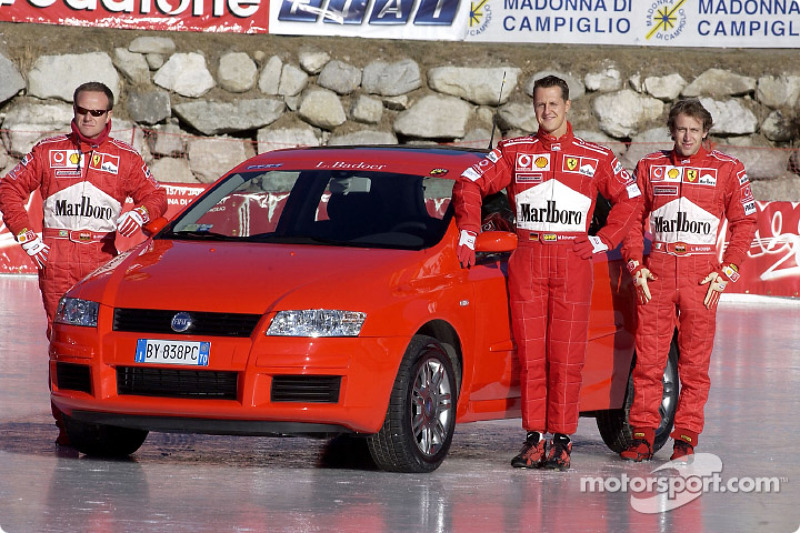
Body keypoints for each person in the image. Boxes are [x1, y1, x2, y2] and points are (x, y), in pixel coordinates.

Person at [452, 75, 643, 471]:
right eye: (540, 104)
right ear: (533, 107)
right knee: (532, 356)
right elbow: (469, 182)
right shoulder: (514, 150)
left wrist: (603, 239)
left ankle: (562, 438)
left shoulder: (596, 156)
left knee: (567, 357)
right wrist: (470, 229)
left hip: (574, 259)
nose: (547, 111)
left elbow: (632, 197)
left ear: (568, 106)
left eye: (554, 104)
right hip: (528, 258)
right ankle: (534, 438)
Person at [0, 81, 166, 445]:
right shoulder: (47, 150)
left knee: (103, 340)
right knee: (62, 341)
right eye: (81, 110)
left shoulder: (126, 157)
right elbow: (9, 188)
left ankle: (107, 417)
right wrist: (25, 235)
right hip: (56, 259)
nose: (87, 118)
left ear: (109, 115)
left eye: (96, 112)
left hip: (101, 260)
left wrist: (140, 212)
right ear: (73, 110)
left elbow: (156, 196)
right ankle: (67, 426)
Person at [619, 99, 758, 462]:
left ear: (705, 132)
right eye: (681, 129)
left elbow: (745, 222)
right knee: (649, 362)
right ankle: (643, 436)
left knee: (694, 365)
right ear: (672, 130)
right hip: (659, 272)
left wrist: (727, 271)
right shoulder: (650, 165)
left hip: (701, 277)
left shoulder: (727, 168)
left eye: (694, 130)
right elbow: (631, 217)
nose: (687, 136)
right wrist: (635, 263)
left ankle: (685, 438)